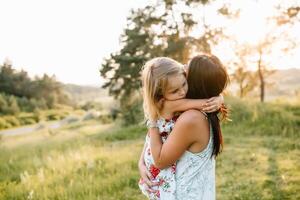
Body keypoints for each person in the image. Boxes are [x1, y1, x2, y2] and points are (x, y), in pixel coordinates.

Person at [138, 57, 224, 200]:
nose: (184, 67)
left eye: (186, 68)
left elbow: (159, 161)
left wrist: (219, 98)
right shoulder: (181, 107)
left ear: (194, 80)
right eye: (184, 65)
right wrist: (141, 162)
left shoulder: (191, 117)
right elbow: (152, 139)